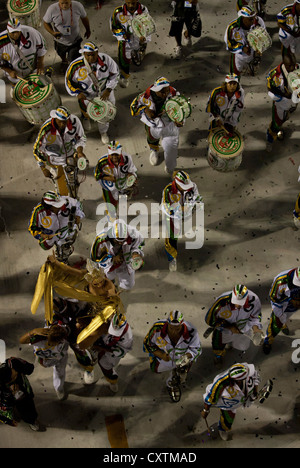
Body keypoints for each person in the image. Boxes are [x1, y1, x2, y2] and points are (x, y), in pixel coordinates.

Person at [65, 41, 119, 142]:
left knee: (105, 114)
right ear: (84, 54)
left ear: (97, 52)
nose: (91, 58)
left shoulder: (106, 60)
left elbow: (115, 74)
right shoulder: (75, 65)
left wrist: (108, 89)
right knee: (86, 111)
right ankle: (86, 118)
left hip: (104, 93)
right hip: (87, 96)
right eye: (88, 55)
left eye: (93, 55)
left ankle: (103, 132)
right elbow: (68, 82)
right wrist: (77, 93)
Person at [143, 310, 202, 402]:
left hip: (182, 359)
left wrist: (184, 359)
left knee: (178, 377)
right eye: (171, 328)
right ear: (167, 324)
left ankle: (172, 385)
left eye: (177, 329)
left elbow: (197, 349)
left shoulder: (192, 331)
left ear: (182, 325)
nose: (174, 332)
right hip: (163, 359)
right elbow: (147, 344)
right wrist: (161, 354)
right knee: (155, 369)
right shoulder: (156, 329)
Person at [130, 76, 184, 173]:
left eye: (167, 91)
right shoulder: (145, 96)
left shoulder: (174, 94)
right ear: (156, 90)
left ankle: (170, 165)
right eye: (162, 92)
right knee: (152, 138)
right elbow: (133, 107)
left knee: (171, 147)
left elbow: (182, 109)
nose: (165, 94)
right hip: (153, 124)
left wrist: (180, 120)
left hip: (170, 124)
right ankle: (154, 150)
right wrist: (145, 110)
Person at [33, 106, 88, 196]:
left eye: (65, 122)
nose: (62, 125)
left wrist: (80, 151)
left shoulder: (74, 121)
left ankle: (73, 187)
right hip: (54, 158)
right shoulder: (46, 129)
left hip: (70, 154)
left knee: (72, 177)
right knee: (57, 174)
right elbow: (37, 149)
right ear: (55, 118)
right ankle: (54, 169)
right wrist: (43, 168)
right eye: (60, 122)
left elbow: (81, 138)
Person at [205, 284, 263, 366]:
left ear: (246, 298)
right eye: (235, 301)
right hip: (224, 329)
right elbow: (209, 320)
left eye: (240, 303)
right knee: (218, 344)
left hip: (242, 329)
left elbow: (256, 316)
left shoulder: (254, 300)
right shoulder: (221, 302)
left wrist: (256, 328)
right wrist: (228, 327)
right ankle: (218, 356)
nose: (237, 305)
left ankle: (230, 344)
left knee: (241, 344)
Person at [201, 362, 260, 440]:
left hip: (243, 399)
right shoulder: (219, 385)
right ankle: (223, 429)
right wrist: (206, 410)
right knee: (227, 420)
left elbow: (255, 375)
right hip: (228, 405)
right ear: (238, 380)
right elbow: (209, 398)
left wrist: (255, 391)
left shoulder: (245, 369)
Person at [77, 311, 133, 392]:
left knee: (106, 366)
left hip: (110, 352)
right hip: (102, 341)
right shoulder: (108, 318)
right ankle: (88, 369)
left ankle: (112, 381)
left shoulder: (128, 339)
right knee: (85, 356)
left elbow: (119, 352)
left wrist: (100, 348)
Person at [161, 170, 202, 272]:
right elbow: (165, 207)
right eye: (183, 187)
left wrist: (192, 205)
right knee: (171, 238)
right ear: (177, 184)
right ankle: (172, 258)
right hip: (173, 217)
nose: (187, 189)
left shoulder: (192, 186)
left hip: (187, 214)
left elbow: (197, 197)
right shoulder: (168, 190)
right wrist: (180, 209)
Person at [28, 190, 85, 262]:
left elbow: (78, 205)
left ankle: (64, 258)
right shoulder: (39, 211)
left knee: (67, 245)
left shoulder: (66, 201)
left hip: (66, 231)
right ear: (49, 207)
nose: (61, 205)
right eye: (57, 205)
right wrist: (42, 235)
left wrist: (79, 216)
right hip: (50, 236)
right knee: (45, 247)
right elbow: (32, 228)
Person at [90, 219, 144, 291]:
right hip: (108, 265)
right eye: (118, 241)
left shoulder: (135, 234)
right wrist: (112, 259)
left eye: (123, 241)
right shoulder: (100, 239)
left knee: (128, 285)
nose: (121, 243)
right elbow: (94, 257)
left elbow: (139, 245)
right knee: (107, 282)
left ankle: (121, 290)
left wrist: (135, 253)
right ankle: (111, 283)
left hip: (125, 263)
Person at [19, 324, 70, 400]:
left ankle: (58, 388)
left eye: (56, 343)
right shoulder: (40, 338)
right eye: (51, 343)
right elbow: (22, 341)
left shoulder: (65, 336)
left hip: (60, 356)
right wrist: (33, 331)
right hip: (45, 358)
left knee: (60, 371)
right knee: (46, 364)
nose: (52, 344)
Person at [110, 0, 152, 88]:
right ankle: (124, 75)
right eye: (128, 3)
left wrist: (143, 36)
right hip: (125, 40)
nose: (131, 5)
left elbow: (147, 24)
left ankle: (137, 53)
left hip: (138, 37)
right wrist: (122, 34)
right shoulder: (118, 12)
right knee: (123, 56)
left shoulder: (143, 10)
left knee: (138, 55)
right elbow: (114, 26)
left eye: (133, 3)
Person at [94, 141, 138, 220]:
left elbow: (132, 170)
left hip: (123, 184)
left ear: (120, 152)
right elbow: (96, 175)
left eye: (116, 154)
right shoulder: (102, 162)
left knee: (122, 200)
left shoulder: (127, 158)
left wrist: (131, 176)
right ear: (109, 153)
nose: (114, 157)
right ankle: (113, 219)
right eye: (112, 154)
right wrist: (108, 178)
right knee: (111, 204)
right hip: (109, 186)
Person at [43, 0, 91, 71]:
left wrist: (88, 29)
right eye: (62, 3)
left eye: (66, 3)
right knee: (61, 53)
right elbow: (45, 23)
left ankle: (73, 70)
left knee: (74, 59)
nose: (64, 5)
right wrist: (52, 32)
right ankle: (64, 60)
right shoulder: (52, 9)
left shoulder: (78, 6)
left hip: (75, 40)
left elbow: (84, 18)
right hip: (60, 41)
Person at [265, 53, 299, 152]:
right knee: (276, 122)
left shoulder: (298, 68)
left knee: (286, 116)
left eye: (293, 64)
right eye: (289, 65)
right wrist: (283, 96)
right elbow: (270, 89)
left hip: (294, 101)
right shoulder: (275, 74)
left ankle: (280, 127)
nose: (292, 67)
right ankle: (269, 140)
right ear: (284, 63)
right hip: (281, 103)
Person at [263, 267, 300, 354]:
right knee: (276, 325)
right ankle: (268, 341)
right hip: (282, 306)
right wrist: (291, 300)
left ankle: (283, 323)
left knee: (285, 318)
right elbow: (274, 297)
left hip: (294, 307)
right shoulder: (281, 281)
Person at [0, 18, 47, 85]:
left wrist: (40, 63)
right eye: (12, 32)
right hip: (15, 75)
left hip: (33, 70)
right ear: (7, 30)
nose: (15, 35)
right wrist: (9, 71)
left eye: (17, 31)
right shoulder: (1, 41)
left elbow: (42, 47)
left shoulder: (32, 33)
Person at [224, 5, 267, 76]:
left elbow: (264, 36)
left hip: (252, 52)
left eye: (253, 18)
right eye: (250, 19)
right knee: (234, 77)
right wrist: (242, 48)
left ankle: (251, 65)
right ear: (243, 18)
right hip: (238, 55)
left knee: (253, 73)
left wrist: (259, 47)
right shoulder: (232, 28)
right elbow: (229, 44)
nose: (253, 21)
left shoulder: (258, 21)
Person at [0, 357, 41, 431]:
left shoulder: (13, 363)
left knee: (26, 406)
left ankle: (31, 420)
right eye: (13, 378)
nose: (15, 373)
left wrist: (22, 368)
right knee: (5, 406)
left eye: (14, 372)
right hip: (5, 395)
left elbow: (30, 369)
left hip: (23, 393)